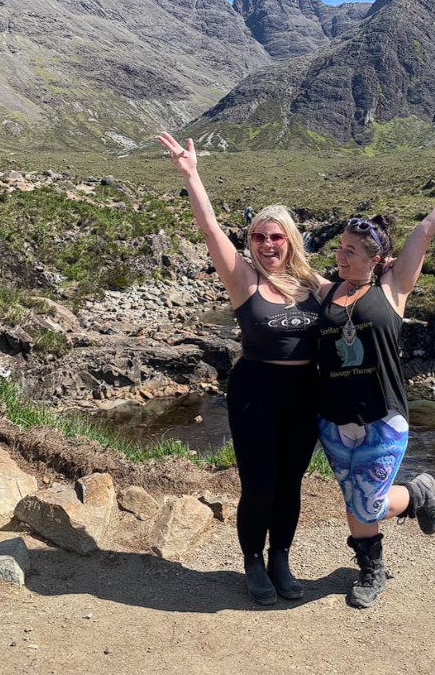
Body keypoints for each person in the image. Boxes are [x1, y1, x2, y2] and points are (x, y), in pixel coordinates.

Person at [316, 159, 435, 608]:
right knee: (354, 502)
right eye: (339, 247)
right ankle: (372, 561)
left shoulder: (393, 288)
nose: (340, 256)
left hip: (383, 418)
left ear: (376, 259)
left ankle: (415, 497)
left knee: (368, 504)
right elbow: (284, 268)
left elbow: (423, 233)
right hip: (334, 420)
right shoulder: (325, 291)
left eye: (351, 252)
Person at [156, 132, 322, 605]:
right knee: (260, 483)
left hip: (304, 394)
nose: (267, 244)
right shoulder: (243, 278)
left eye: (276, 237)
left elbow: (359, 288)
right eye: (258, 236)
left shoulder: (314, 283)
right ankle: (252, 561)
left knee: (291, 483)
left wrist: (385, 266)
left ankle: (281, 558)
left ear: (290, 241)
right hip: (256, 392)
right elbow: (209, 229)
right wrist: (192, 175)